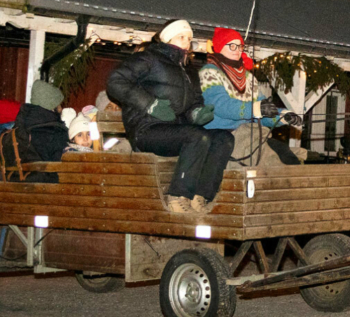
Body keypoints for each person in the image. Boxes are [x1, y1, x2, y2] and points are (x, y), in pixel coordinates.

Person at [105, 19, 233, 212]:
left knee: (224, 137)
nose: (187, 42)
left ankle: (202, 195)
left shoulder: (188, 70)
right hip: (146, 130)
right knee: (197, 136)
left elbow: (194, 102)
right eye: (181, 36)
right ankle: (178, 196)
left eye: (189, 38)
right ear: (167, 38)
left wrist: (197, 114)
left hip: (173, 131)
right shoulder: (149, 59)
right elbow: (115, 81)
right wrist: (150, 104)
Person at [199, 27, 303, 165]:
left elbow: (261, 110)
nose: (237, 50)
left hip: (249, 133)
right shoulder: (210, 72)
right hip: (223, 134)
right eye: (232, 46)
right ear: (219, 47)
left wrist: (283, 116)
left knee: (287, 153)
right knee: (271, 161)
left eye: (240, 46)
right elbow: (220, 105)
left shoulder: (248, 78)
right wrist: (255, 109)